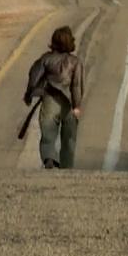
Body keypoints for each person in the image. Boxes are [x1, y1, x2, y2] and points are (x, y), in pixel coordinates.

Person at [23, 26, 84, 169]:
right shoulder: (76, 62)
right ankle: (67, 167)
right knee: (69, 139)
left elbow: (34, 76)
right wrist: (76, 106)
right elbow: (76, 86)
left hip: (50, 100)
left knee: (48, 134)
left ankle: (49, 158)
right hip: (69, 104)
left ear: (54, 41)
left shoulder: (46, 59)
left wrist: (29, 95)